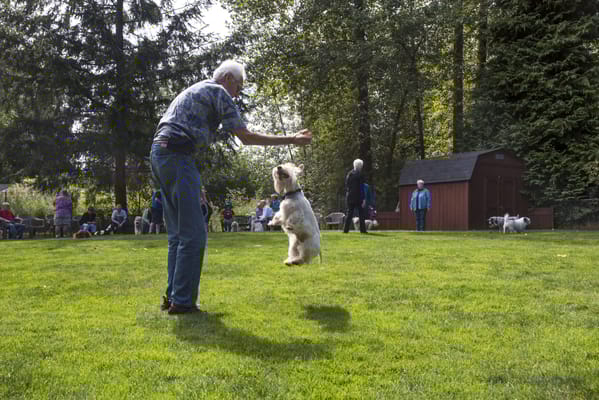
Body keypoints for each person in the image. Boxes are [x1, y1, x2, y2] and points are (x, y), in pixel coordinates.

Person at [149, 59, 312, 314]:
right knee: (194, 234)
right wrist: (292, 139)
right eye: (239, 87)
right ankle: (183, 301)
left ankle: (173, 296)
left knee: (179, 234)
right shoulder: (218, 90)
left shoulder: (195, 89)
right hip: (177, 156)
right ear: (227, 78)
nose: (237, 94)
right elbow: (246, 137)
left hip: (161, 154)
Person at [343, 159, 367, 234]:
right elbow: (361, 188)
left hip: (350, 196)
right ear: (360, 166)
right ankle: (363, 230)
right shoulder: (360, 175)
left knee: (349, 213)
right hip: (358, 197)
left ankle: (345, 230)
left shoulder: (349, 174)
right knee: (361, 214)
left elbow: (347, 185)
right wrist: (363, 198)